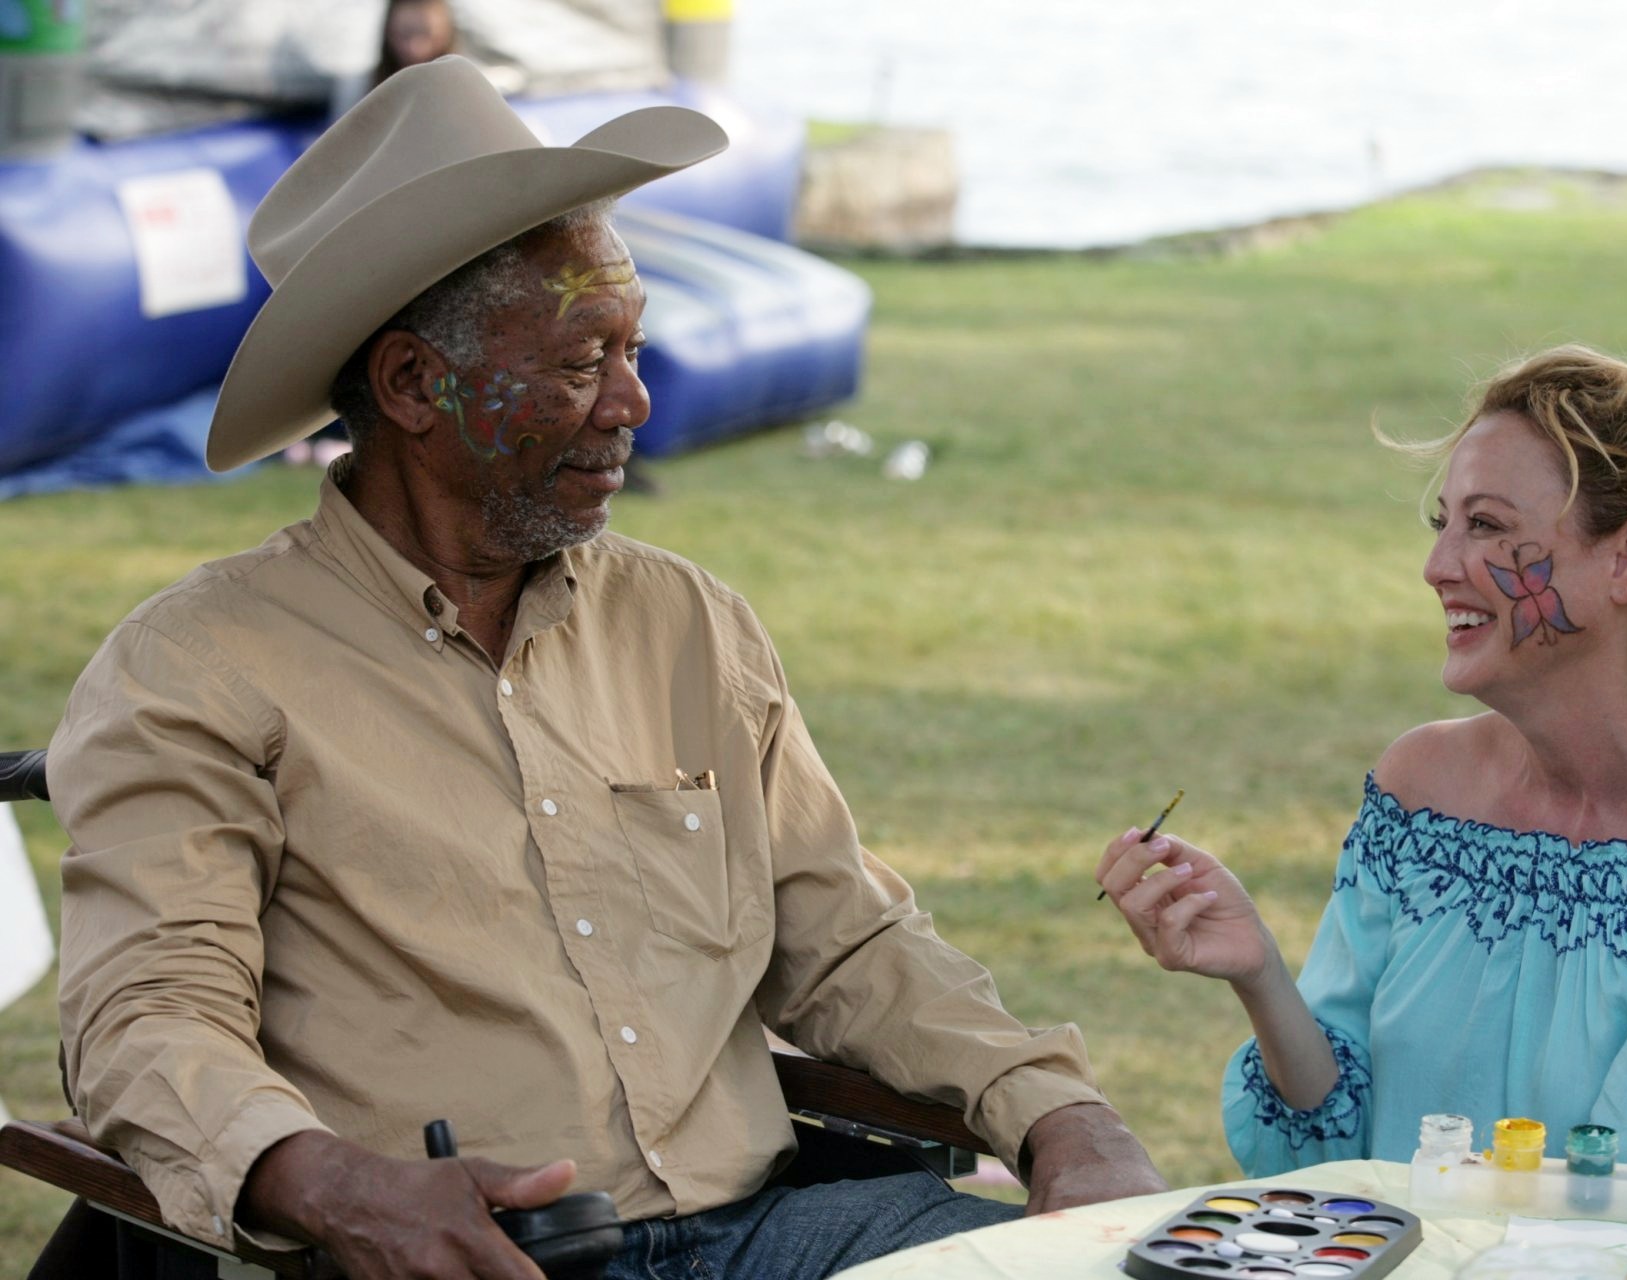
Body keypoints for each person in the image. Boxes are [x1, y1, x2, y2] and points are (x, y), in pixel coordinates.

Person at [53, 57, 1163, 1280]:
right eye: (584, 360)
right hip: (482, 1260)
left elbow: (846, 940)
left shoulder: (688, 621)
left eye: (635, 347)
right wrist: (335, 1186)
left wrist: (1060, 1111)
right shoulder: (200, 664)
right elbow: (146, 1016)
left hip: (771, 1232)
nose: (635, 401)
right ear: (416, 384)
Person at [1095, 344, 1627, 1175]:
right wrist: (1260, 972)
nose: (1437, 566)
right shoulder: (1422, 790)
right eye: (1443, 523)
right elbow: (1328, 1150)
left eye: (1485, 525)